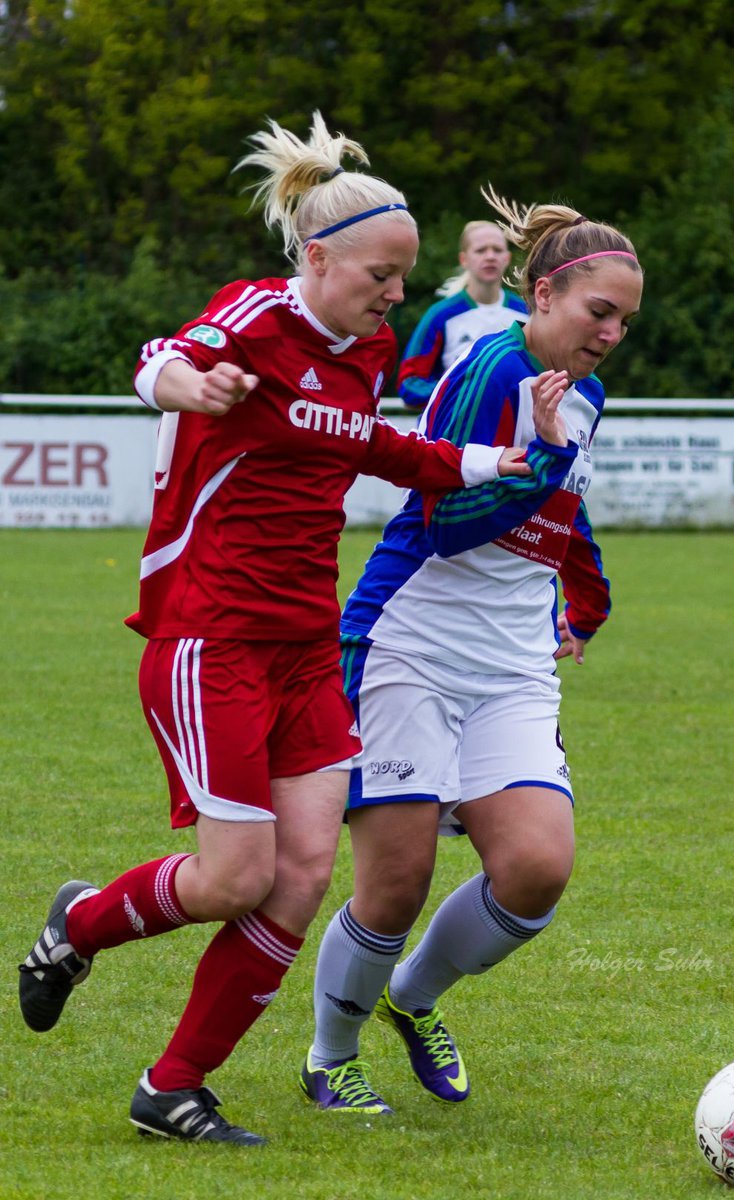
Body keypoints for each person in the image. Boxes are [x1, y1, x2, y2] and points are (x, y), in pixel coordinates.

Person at [17, 116, 531, 1146]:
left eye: (402, 278)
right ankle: (76, 924)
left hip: (306, 642)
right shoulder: (250, 318)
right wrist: (191, 387)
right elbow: (158, 358)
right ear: (317, 256)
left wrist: (476, 465)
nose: (394, 295)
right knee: (234, 877)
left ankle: (173, 1084)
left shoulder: (373, 348)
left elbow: (363, 442)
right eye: (381, 275)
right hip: (211, 636)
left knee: (299, 874)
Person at [301, 186, 643, 1113]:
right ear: (542, 296)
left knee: (537, 869)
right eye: (597, 312)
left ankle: (413, 999)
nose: (610, 334)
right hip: (409, 641)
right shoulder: (489, 369)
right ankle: (331, 1055)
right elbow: (448, 523)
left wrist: (588, 602)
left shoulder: (589, 395)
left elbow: (565, 515)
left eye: (624, 321)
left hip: (512, 664)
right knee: (398, 879)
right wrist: (540, 459)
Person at [396, 220, 528, 410]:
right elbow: (410, 383)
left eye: (497, 250)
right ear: (463, 259)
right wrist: (460, 391)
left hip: (514, 433)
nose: (490, 256)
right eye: (481, 250)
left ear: (507, 258)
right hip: (453, 433)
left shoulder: (526, 312)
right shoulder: (440, 315)